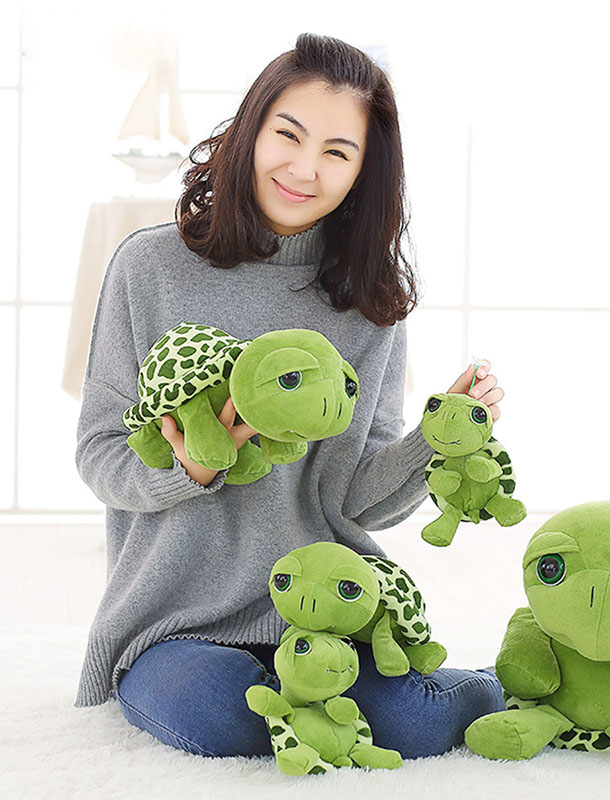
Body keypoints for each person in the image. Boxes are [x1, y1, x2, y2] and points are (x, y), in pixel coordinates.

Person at [75, 33, 505, 760]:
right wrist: (189, 470)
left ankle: (490, 684)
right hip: (176, 620)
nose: (304, 169)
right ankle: (279, 691)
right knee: (221, 716)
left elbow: (357, 501)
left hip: (322, 611)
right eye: (289, 135)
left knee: (417, 724)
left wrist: (435, 441)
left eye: (338, 152)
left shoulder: (371, 303)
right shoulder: (150, 266)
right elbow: (98, 451)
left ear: (364, 173)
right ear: (251, 130)